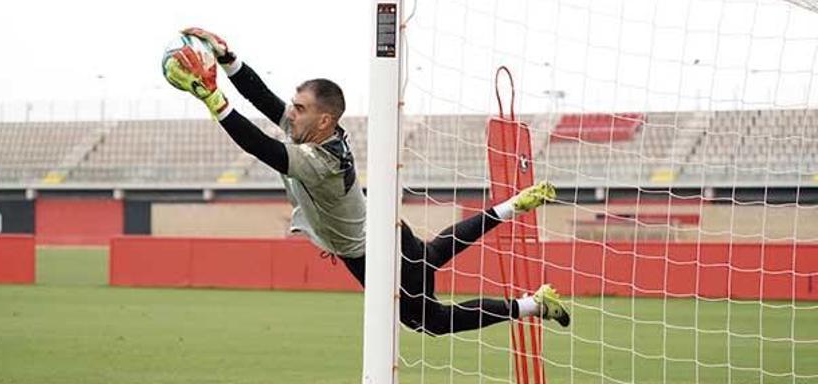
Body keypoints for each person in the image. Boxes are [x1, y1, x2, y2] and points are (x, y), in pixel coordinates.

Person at [164, 27, 570, 335]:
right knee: (434, 254)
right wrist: (229, 58)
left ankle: (533, 304)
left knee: (429, 322)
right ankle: (516, 207)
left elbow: (260, 147)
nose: (292, 112)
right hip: (383, 233)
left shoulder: (319, 161)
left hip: (373, 253)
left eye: (300, 108)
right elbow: (266, 101)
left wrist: (211, 96)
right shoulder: (317, 132)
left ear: (323, 119)